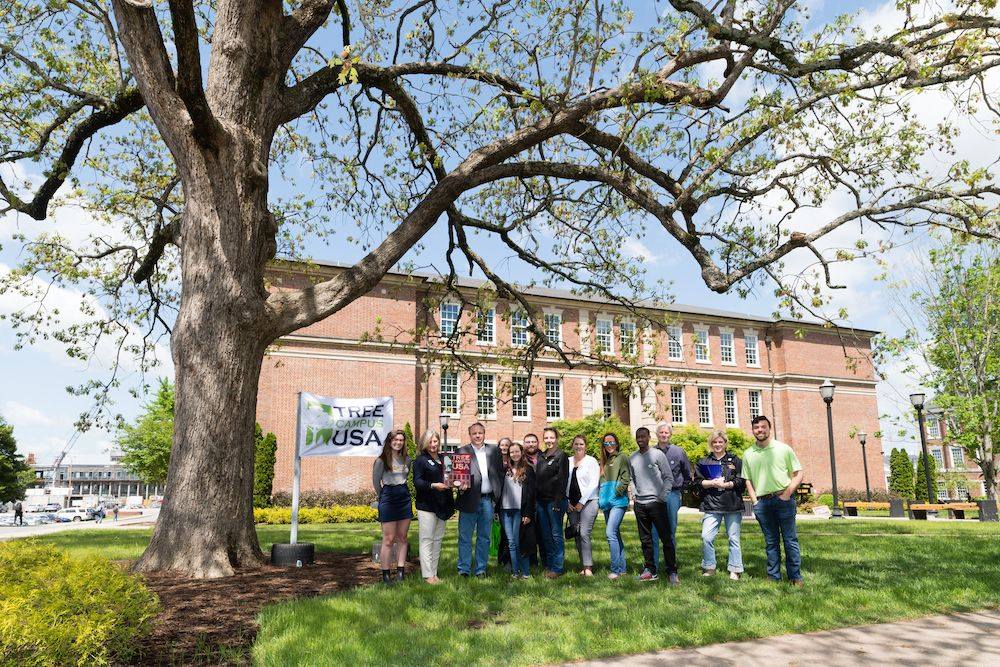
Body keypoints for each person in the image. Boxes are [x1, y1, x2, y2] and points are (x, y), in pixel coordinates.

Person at [741, 415, 805, 585]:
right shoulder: (748, 454)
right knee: (771, 542)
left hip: (783, 499)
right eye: (756, 427)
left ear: (769, 429)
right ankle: (773, 575)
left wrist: (787, 493)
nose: (760, 430)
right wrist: (755, 501)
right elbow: (747, 480)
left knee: (790, 540)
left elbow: (798, 473)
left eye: (763, 427)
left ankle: (795, 577)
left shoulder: (783, 449)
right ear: (753, 430)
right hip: (762, 503)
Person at [628, 426, 678, 584]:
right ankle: (650, 570)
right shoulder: (633, 458)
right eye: (638, 437)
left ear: (649, 437)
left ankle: (672, 571)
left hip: (657, 503)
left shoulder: (657, 455)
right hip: (640, 505)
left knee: (666, 539)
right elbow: (631, 479)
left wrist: (662, 497)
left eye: (643, 436)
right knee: (646, 540)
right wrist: (634, 496)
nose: (640, 439)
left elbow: (669, 477)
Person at [693, 430, 745, 580]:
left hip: (732, 504)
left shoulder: (735, 460)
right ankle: (709, 567)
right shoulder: (703, 462)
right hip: (711, 504)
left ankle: (735, 569)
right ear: (711, 443)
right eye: (715, 442)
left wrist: (729, 484)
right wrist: (710, 483)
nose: (717, 444)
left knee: (733, 538)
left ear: (725, 443)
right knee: (706, 537)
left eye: (720, 442)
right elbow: (696, 482)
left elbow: (742, 481)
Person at [455, 422, 503, 577]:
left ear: (484, 434)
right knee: (465, 537)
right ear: (470, 435)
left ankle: (481, 569)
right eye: (474, 433)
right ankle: (464, 569)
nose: (477, 436)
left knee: (484, 537)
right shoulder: (462, 451)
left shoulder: (494, 451)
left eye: (480, 433)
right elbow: (456, 477)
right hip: (468, 499)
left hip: (487, 501)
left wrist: (498, 495)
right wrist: (458, 485)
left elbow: (499, 473)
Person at [413, 429, 455, 584]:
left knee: (437, 539)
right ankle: (427, 575)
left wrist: (459, 483)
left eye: (435, 441)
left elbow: (452, 477)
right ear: (425, 443)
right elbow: (417, 482)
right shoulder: (420, 460)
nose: (433, 445)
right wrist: (433, 485)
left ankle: (434, 573)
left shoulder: (445, 458)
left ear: (439, 442)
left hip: (442, 505)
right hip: (427, 505)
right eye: (430, 442)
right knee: (427, 539)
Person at [373, 429, 413, 584]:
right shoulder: (381, 461)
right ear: (390, 441)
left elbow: (405, 477)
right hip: (388, 497)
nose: (398, 442)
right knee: (388, 539)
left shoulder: (407, 459)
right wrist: (383, 496)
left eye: (401, 440)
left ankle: (401, 573)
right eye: (395, 439)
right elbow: (376, 482)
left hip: (404, 496)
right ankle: (386, 574)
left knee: (402, 537)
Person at [651, 422, 692, 573]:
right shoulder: (650, 452)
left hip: (672, 495)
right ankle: (652, 567)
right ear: (657, 434)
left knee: (670, 531)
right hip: (654, 496)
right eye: (661, 432)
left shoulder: (678, 452)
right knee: (653, 531)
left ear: (670, 435)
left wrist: (681, 491)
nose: (663, 435)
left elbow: (687, 473)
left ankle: (671, 567)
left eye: (666, 433)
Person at [499, 442, 537, 579]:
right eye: (511, 452)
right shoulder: (505, 470)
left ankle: (525, 573)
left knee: (519, 541)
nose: (514, 454)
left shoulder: (528, 470)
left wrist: (528, 513)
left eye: (517, 451)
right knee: (511, 542)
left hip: (520, 511)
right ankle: (515, 572)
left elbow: (531, 494)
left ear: (521, 452)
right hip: (505, 511)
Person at [535, 426, 569, 579]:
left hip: (554, 502)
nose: (549, 440)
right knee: (546, 535)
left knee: (556, 535)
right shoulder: (541, 456)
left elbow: (562, 481)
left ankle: (558, 567)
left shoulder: (561, 455)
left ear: (556, 439)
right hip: (541, 502)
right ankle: (549, 565)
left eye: (551, 437)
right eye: (546, 437)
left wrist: (557, 502)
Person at [598, 432, 630, 580]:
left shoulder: (622, 457)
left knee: (610, 533)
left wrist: (615, 493)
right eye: (606, 443)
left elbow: (625, 479)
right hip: (606, 503)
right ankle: (622, 569)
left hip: (618, 502)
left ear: (616, 443)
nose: (609, 445)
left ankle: (615, 570)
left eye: (612, 442)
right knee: (615, 534)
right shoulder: (603, 461)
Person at [566, 435, 600, 576]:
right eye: (576, 444)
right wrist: (566, 501)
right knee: (576, 534)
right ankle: (583, 564)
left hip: (589, 502)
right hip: (571, 504)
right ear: (572, 446)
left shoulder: (591, 461)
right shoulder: (567, 461)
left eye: (581, 444)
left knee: (584, 532)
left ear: (585, 446)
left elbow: (594, 483)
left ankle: (588, 567)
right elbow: (563, 482)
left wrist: (581, 502)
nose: (578, 446)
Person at [522, 433, 547, 567]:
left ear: (538, 443)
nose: (531, 444)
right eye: (528, 442)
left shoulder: (545, 457)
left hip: (543, 500)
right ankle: (532, 562)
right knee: (529, 532)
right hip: (527, 501)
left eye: (533, 441)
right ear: (524, 443)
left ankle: (546, 561)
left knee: (543, 532)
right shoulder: (521, 459)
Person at [496, 436, 514, 570]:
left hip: (512, 501)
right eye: (502, 445)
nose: (504, 447)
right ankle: (501, 559)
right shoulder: (493, 461)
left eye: (506, 445)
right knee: (502, 532)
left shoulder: (513, 462)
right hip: (498, 501)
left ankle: (508, 560)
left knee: (510, 532)